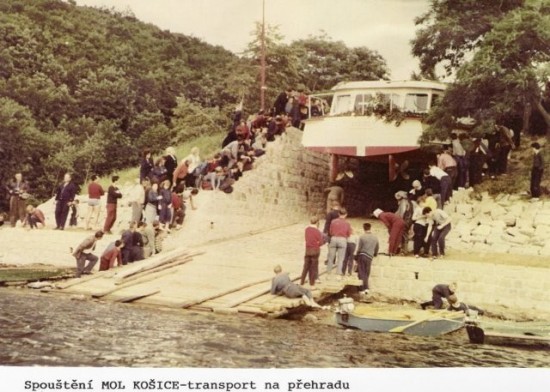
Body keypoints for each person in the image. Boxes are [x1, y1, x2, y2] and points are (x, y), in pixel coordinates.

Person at [327, 208, 351, 279]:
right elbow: (349, 233)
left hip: (334, 238)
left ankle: (328, 274)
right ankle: (338, 275)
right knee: (341, 258)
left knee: (331, 257)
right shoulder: (347, 223)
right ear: (346, 214)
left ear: (338, 214)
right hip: (342, 239)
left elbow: (330, 231)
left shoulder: (333, 221)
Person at [355, 223, 379, 295]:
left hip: (362, 255)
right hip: (370, 257)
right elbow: (377, 247)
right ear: (370, 228)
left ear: (363, 228)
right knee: (367, 272)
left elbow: (359, 248)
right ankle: (366, 288)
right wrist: (375, 254)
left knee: (361, 272)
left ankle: (363, 288)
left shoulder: (362, 237)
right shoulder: (375, 237)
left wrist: (356, 256)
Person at [302, 215, 325, 287]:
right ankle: (312, 283)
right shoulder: (318, 231)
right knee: (313, 267)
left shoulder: (307, 229)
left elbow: (306, 239)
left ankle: (302, 281)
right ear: (317, 222)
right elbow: (321, 242)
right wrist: (317, 243)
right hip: (315, 250)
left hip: (308, 250)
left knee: (306, 266)